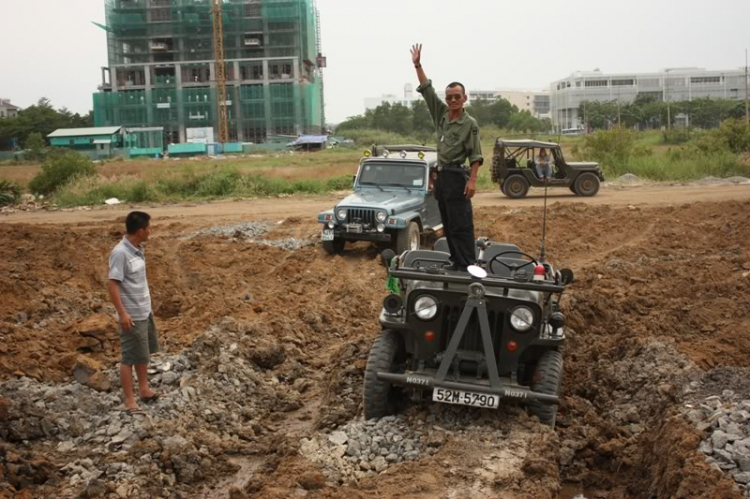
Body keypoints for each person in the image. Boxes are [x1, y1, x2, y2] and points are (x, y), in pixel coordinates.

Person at [411, 43, 483, 272]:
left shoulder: (469, 124)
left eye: (456, 97)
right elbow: (426, 89)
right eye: (449, 97)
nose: (452, 101)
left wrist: (472, 180)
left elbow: (476, 155)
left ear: (464, 98)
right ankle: (456, 260)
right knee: (448, 223)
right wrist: (417, 65)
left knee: (462, 222)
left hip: (457, 176)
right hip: (442, 176)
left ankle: (467, 263)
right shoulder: (441, 115)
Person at [108, 211, 161, 412]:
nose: (150, 231)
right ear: (140, 231)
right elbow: (113, 284)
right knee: (129, 357)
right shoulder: (120, 253)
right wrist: (122, 314)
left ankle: (144, 389)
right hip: (131, 315)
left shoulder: (137, 249)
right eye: (148, 228)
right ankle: (130, 400)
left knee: (143, 353)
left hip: (144, 311)